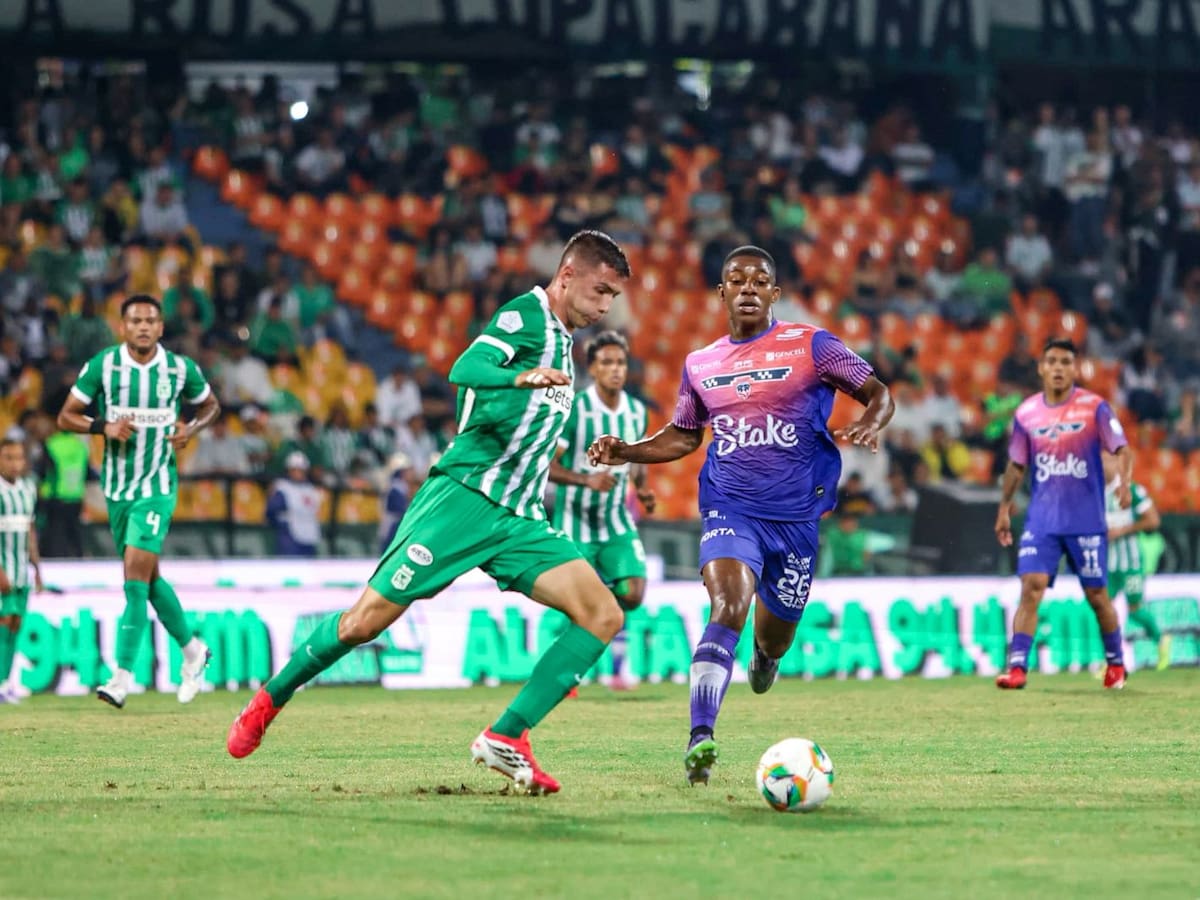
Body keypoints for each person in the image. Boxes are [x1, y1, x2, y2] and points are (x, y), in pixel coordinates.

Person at [226, 230, 632, 796]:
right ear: (566, 276)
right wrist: (518, 375)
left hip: (518, 517)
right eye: (600, 291)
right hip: (462, 499)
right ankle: (271, 697)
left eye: (612, 297)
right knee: (362, 624)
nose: (605, 305)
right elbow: (466, 368)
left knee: (602, 614)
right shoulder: (527, 316)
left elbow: (523, 429)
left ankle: (507, 735)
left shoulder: (565, 345)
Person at [587, 245, 894, 785]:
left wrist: (871, 420)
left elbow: (878, 391)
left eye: (760, 280)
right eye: (736, 279)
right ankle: (700, 737)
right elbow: (685, 435)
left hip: (796, 520)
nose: (748, 287)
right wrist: (628, 450)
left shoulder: (813, 346)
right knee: (728, 604)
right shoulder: (701, 364)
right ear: (722, 292)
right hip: (730, 506)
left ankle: (765, 657)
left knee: (773, 639)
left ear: (775, 293)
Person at [56, 294, 221, 708]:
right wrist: (102, 426)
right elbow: (65, 416)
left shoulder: (179, 369)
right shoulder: (104, 367)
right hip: (117, 490)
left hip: (157, 487)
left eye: (151, 320)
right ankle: (193, 651)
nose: (143, 327)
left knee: (133, 579)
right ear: (123, 327)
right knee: (147, 580)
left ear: (161, 328)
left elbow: (211, 406)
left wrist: (191, 429)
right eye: (135, 321)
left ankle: (122, 676)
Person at [994, 338, 1132, 690]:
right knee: (1031, 587)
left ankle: (1116, 663)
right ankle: (1017, 667)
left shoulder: (1095, 408)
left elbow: (1121, 447)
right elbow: (1016, 464)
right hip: (1042, 520)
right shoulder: (1026, 413)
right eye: (1052, 361)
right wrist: (1004, 508)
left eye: (1065, 362)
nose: (1058, 367)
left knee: (1097, 596)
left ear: (1075, 368)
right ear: (1041, 368)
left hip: (1085, 520)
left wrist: (1124, 482)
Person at [549, 331, 656, 692]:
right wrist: (586, 480)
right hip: (574, 521)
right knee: (575, 601)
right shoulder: (576, 409)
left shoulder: (637, 411)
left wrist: (642, 489)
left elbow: (638, 459)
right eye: (606, 363)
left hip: (615, 522)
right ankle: (570, 673)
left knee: (633, 592)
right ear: (592, 369)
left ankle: (611, 664)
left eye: (621, 363)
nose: (615, 369)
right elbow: (547, 465)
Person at [1102, 453, 1170, 670]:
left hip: (1131, 563)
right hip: (1109, 564)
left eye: (1104, 459)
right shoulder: (1095, 494)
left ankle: (1161, 640)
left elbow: (1153, 520)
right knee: (1102, 609)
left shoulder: (1132, 491)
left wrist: (1123, 530)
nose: (1101, 464)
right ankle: (1112, 661)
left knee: (1135, 610)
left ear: (1114, 462)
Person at [0, 439, 42, 703]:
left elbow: (29, 530)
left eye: (19, 458)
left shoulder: (28, 489)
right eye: (8, 458)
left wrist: (37, 569)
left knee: (15, 624)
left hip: (21, 572)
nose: (15, 463)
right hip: (3, 571)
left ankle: (5, 683)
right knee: (4, 624)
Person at [266, 452, 322, 557]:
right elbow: (272, 510)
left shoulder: (311, 489)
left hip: (310, 532)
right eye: (294, 469)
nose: (297, 473)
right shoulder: (282, 487)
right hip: (290, 534)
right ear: (289, 470)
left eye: (300, 470)